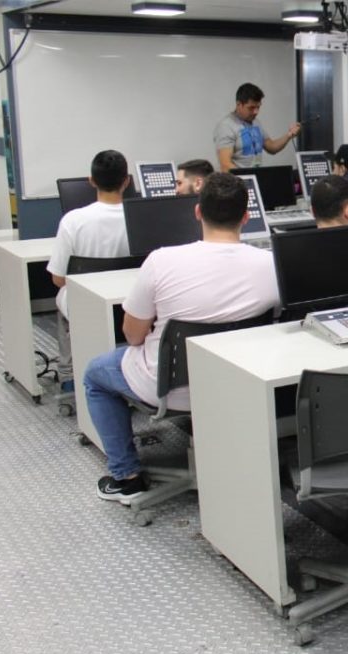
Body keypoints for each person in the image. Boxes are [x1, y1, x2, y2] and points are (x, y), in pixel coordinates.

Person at [85, 173, 280, 500]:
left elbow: (132, 336)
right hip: (240, 384)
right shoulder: (272, 264)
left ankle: (126, 476)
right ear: (246, 217)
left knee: (95, 373)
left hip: (169, 391)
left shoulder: (162, 261)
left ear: (198, 212)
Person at [46, 150, 133, 388]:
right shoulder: (139, 217)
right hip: (129, 304)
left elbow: (58, 279)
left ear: (92, 181)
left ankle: (69, 377)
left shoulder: (73, 221)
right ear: (127, 181)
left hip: (85, 306)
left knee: (62, 300)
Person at [214, 82, 301, 171]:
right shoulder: (226, 126)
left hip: (256, 178)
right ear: (239, 104)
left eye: (258, 107)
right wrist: (247, 180)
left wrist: (289, 135)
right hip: (238, 183)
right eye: (251, 108)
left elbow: (272, 147)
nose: (256, 112)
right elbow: (225, 165)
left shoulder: (256, 122)